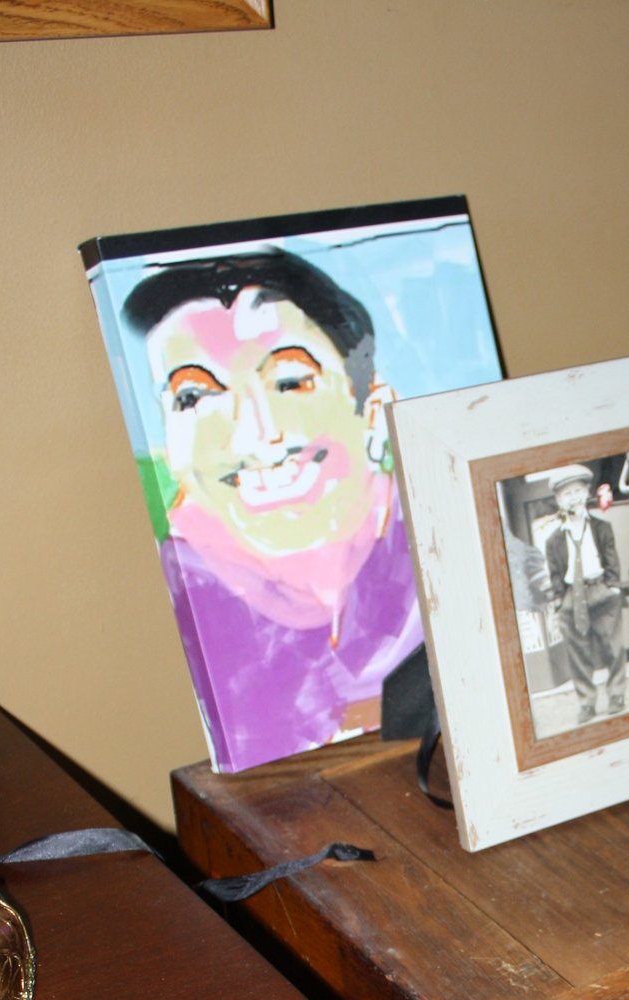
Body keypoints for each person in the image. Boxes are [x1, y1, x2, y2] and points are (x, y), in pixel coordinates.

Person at [122, 248, 423, 771]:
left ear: (373, 409)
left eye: (290, 382)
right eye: (194, 397)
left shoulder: (437, 542)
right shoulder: (189, 586)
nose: (253, 436)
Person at [543, 464, 626, 724]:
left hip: (600, 590)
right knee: (578, 655)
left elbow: (611, 559)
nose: (574, 498)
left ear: (587, 492)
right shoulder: (553, 540)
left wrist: (613, 587)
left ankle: (616, 695)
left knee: (613, 647)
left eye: (578, 491)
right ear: (559, 500)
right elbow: (555, 574)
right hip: (571, 597)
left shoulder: (601, 527)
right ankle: (587, 703)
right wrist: (559, 603)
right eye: (567, 494)